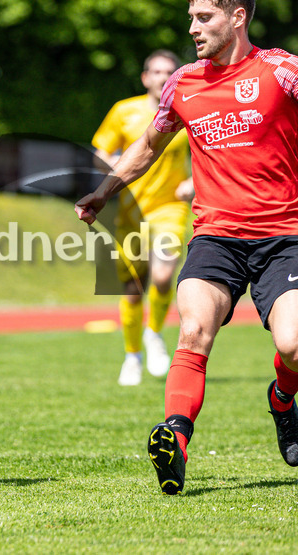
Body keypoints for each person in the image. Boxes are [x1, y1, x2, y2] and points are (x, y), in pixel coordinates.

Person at [76, 0, 298, 495]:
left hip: (283, 237)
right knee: (192, 331)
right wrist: (104, 190)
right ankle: (175, 440)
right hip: (215, 237)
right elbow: (147, 146)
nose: (193, 28)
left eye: (203, 17)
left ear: (237, 17)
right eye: (190, 18)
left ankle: (281, 399)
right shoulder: (183, 82)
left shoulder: (281, 68)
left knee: (297, 348)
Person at [91, 50, 194, 385]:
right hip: (131, 212)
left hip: (170, 207)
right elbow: (100, 154)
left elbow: (213, 152)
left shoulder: (190, 108)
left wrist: (194, 183)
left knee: (163, 276)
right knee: (132, 289)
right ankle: (132, 356)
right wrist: (115, 172)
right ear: (145, 77)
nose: (164, 77)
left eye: (170, 71)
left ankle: (154, 333)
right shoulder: (124, 111)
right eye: (157, 71)